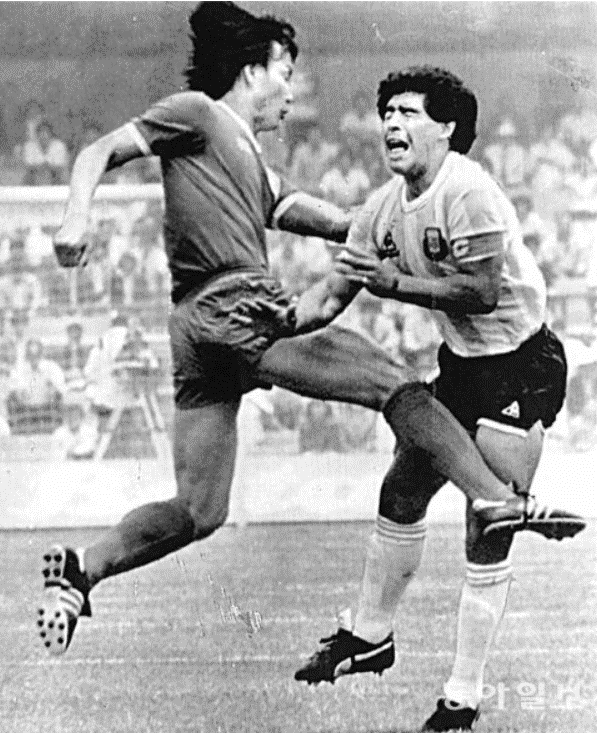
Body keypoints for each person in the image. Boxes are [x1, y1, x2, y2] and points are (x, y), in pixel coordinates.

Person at [38, 6, 579, 662]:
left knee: (200, 510)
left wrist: (375, 220)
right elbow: (98, 151)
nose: (292, 91)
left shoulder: (243, 153)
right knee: (394, 381)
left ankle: (83, 569)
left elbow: (298, 210)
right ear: (251, 71)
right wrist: (74, 219)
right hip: (235, 307)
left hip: (196, 330)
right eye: (286, 73)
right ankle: (494, 500)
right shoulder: (199, 113)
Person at [236, 66, 586, 731]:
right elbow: (329, 299)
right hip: (461, 367)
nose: (391, 124)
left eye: (407, 112)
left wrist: (392, 282)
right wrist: (274, 323)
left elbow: (480, 292)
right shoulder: (381, 209)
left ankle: (462, 695)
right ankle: (370, 636)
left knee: (487, 527)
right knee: (399, 492)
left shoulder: (469, 191)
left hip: (521, 366)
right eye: (386, 113)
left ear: (446, 127)